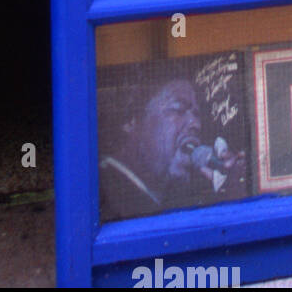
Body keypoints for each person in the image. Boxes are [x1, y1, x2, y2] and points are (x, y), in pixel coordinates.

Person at [99, 67, 244, 220]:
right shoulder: (106, 190)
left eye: (197, 114)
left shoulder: (169, 196)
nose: (195, 124)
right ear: (131, 120)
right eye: (178, 109)